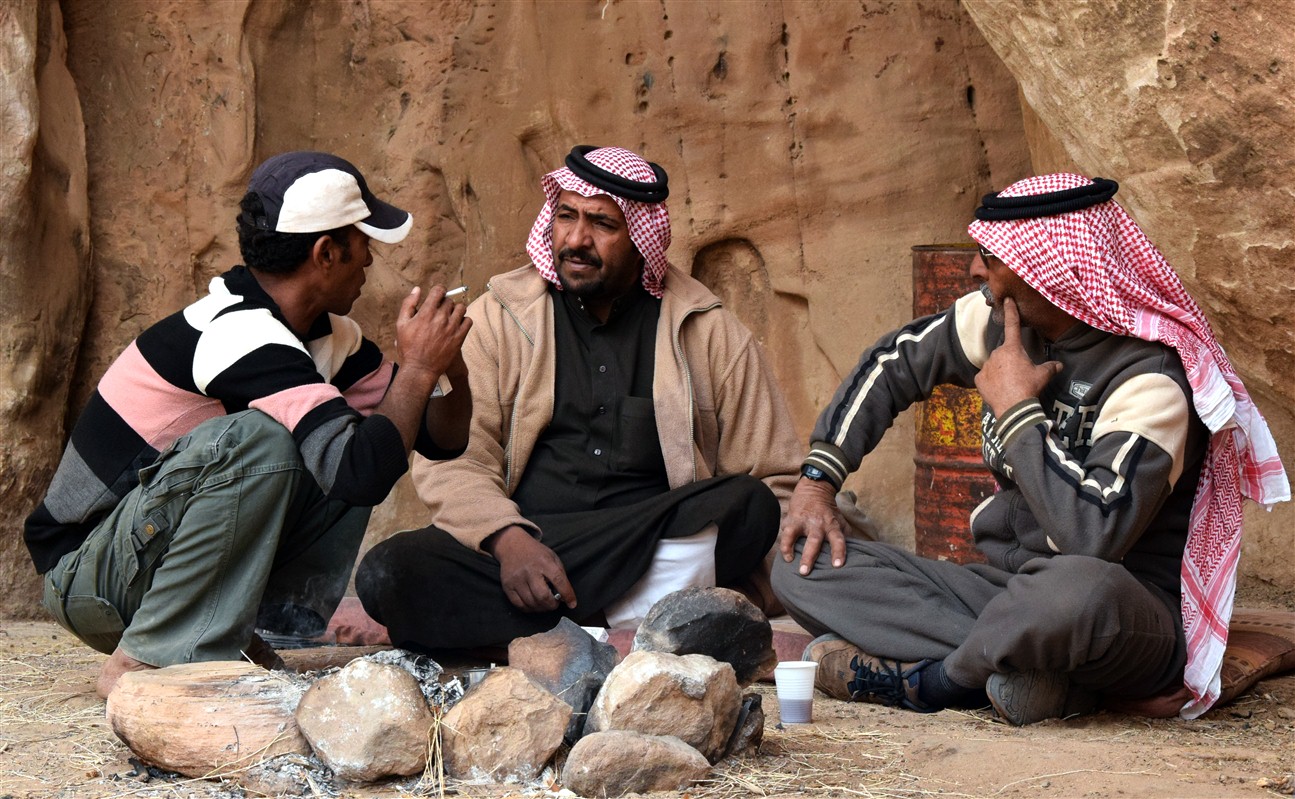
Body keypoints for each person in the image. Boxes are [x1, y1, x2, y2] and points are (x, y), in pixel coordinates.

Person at [772, 174, 1289, 724]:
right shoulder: (1000, 322)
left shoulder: (1151, 378)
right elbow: (893, 364)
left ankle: (937, 682)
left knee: (1075, 594)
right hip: (1004, 590)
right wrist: (817, 481)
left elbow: (1092, 538)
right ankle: (1037, 674)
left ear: (1054, 274)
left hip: (1119, 608)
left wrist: (1018, 411)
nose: (975, 270)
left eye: (990, 257)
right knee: (800, 565)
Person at [25, 151, 473, 698]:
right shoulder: (238, 334)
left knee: (352, 435)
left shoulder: (328, 336)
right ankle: (144, 663)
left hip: (141, 561)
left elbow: (439, 439)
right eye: (363, 245)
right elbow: (364, 474)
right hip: (89, 577)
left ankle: (243, 635)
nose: (370, 263)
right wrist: (418, 368)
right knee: (265, 439)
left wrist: (444, 370)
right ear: (326, 253)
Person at [356, 145, 801, 649]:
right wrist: (509, 541)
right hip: (535, 544)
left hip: (652, 537)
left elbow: (777, 476)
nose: (576, 239)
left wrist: (757, 589)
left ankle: (560, 628)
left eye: (602, 225)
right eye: (566, 216)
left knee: (751, 505)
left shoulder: (708, 331)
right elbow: (452, 464)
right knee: (390, 572)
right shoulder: (501, 319)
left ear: (641, 237)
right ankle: (648, 620)